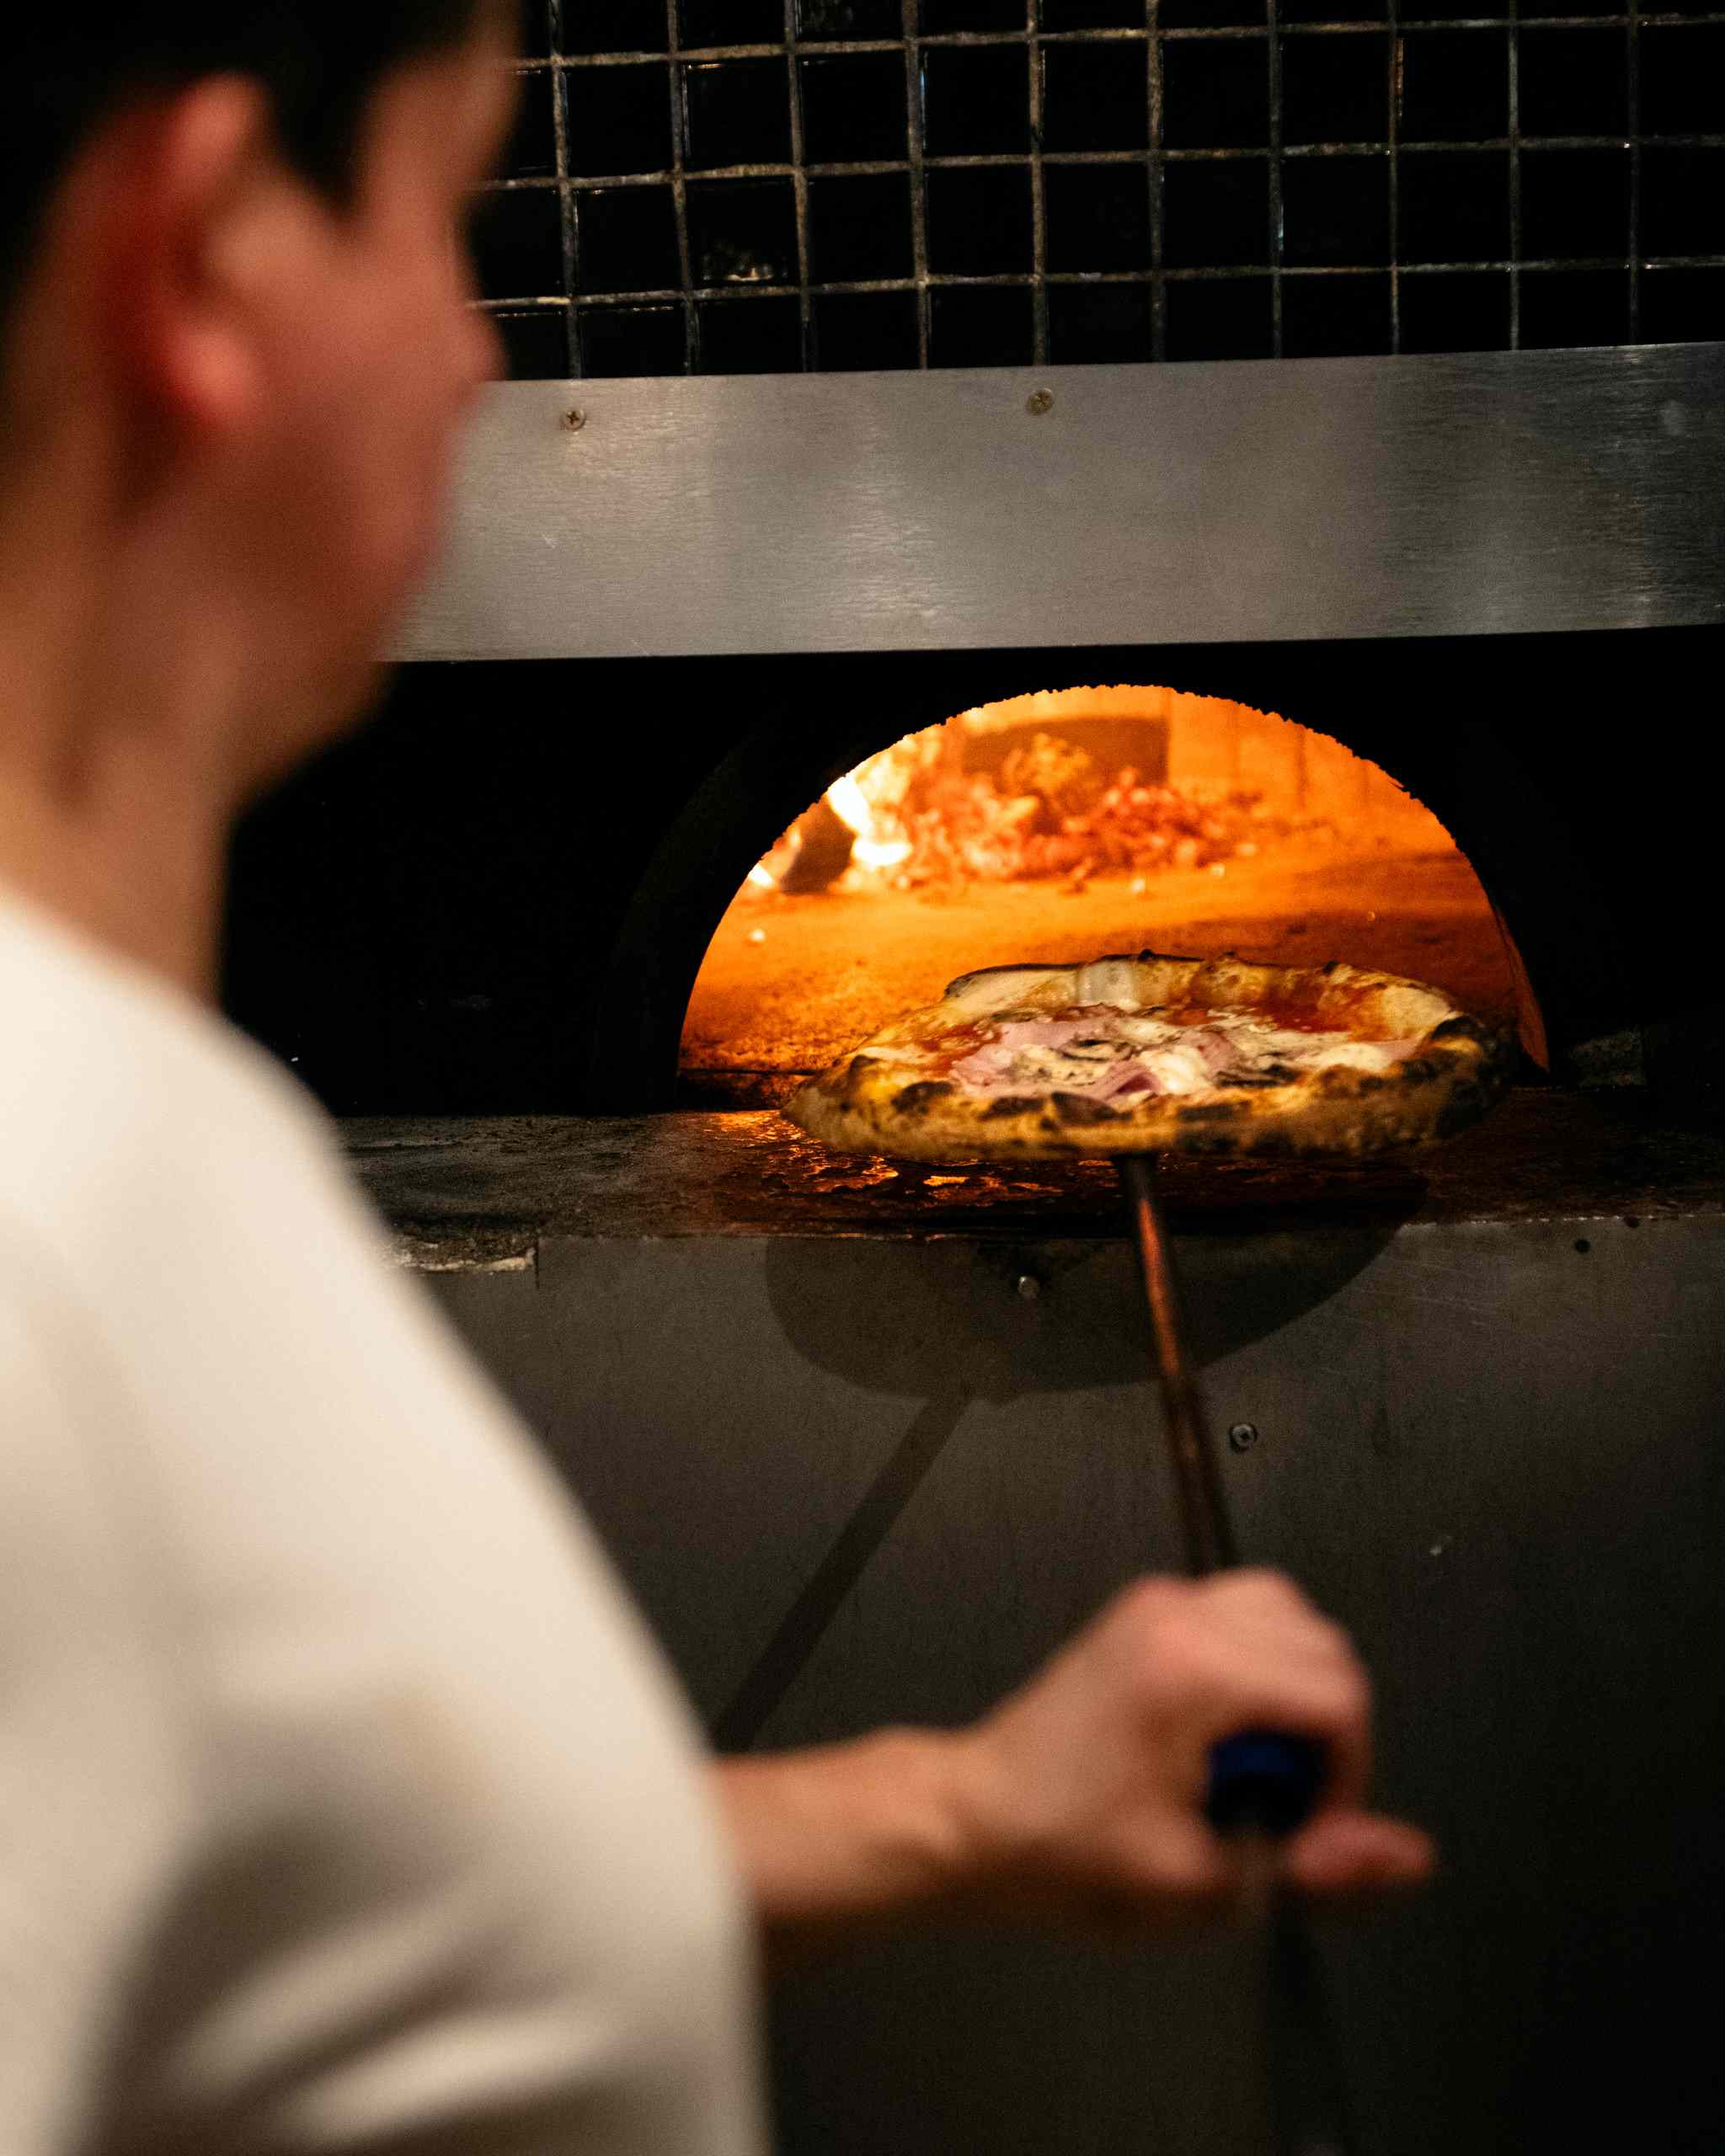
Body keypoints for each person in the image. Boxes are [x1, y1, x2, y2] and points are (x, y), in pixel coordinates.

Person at [0, 7, 1434, 2150]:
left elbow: (304, 1890)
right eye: (443, 215)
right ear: (202, 263)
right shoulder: (58, 1242)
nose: (481, 356)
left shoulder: (126, 1139)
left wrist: (957, 1804)